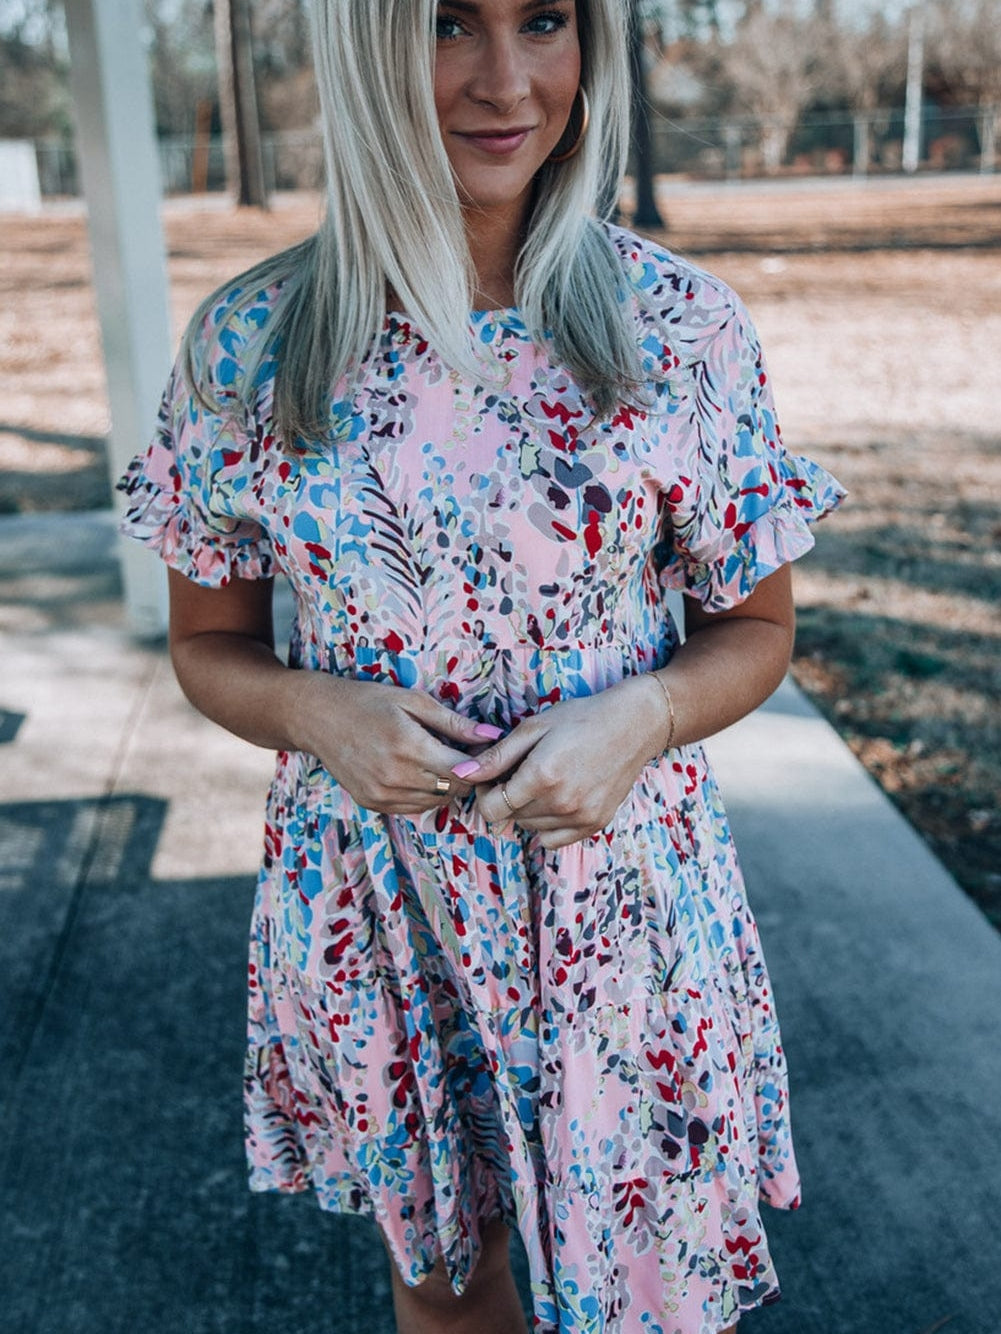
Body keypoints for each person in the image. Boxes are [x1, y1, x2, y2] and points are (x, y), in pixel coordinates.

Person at [119, 1, 844, 1330]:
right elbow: (206, 645)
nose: (506, 80)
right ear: (367, 45)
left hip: (617, 909)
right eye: (450, 23)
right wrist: (314, 710)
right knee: (450, 1291)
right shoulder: (253, 342)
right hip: (384, 908)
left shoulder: (680, 326)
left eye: (544, 19)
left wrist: (643, 715)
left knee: (651, 1297)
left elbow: (757, 631)